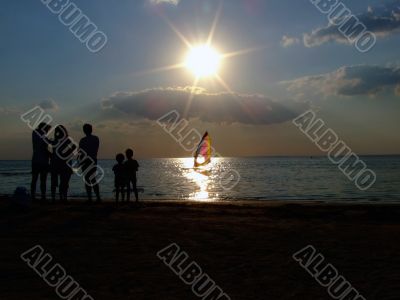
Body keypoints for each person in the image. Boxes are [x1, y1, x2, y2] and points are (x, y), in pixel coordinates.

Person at [50, 125, 73, 203]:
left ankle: (55, 197)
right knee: (64, 182)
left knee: (56, 182)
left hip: (56, 163)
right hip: (63, 163)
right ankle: (63, 197)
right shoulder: (67, 140)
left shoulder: (55, 141)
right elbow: (71, 152)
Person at [79, 124, 101, 203]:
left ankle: (90, 198)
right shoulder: (96, 138)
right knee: (93, 179)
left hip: (85, 161)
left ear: (84, 130)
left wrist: (80, 162)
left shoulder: (82, 140)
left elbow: (80, 153)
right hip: (93, 160)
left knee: (87, 180)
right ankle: (97, 197)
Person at [31, 122, 51, 202]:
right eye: (47, 130)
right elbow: (44, 147)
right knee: (43, 180)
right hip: (43, 161)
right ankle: (43, 196)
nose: (47, 132)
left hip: (35, 160)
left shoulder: (34, 133)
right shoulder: (43, 136)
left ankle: (33, 196)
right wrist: (51, 155)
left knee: (34, 179)